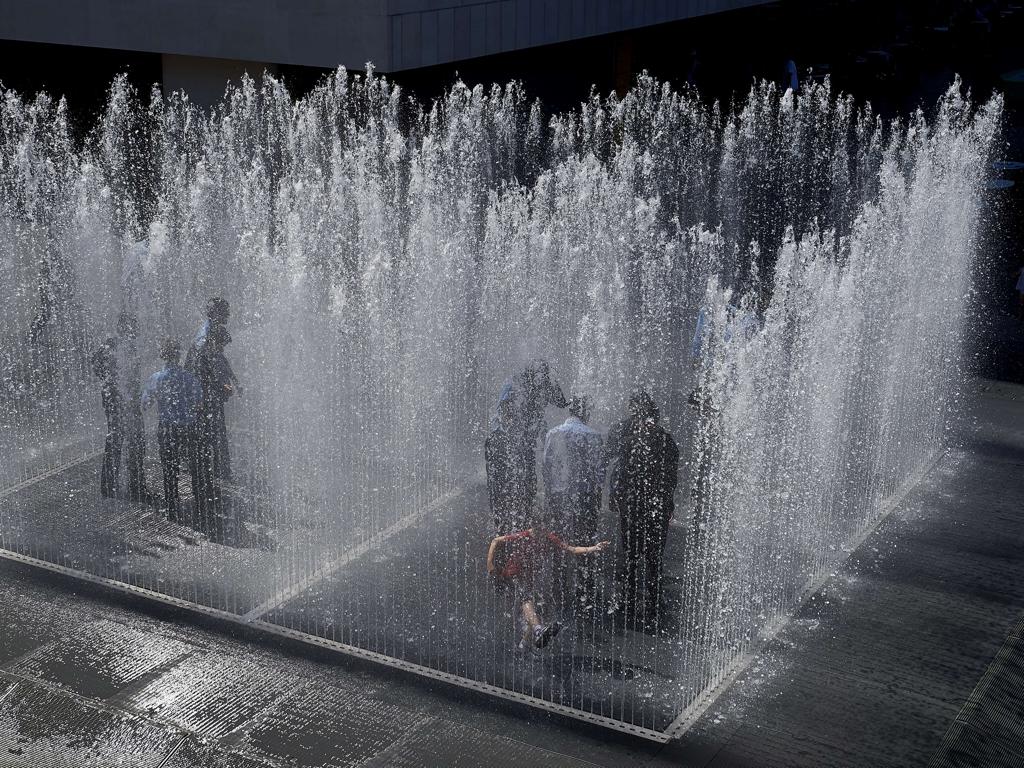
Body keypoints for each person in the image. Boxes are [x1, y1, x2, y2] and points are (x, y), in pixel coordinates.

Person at [605, 389, 680, 629]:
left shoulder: (631, 442)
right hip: (656, 509)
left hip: (633, 507)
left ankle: (628, 602)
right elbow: (671, 479)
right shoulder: (668, 441)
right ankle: (653, 604)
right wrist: (668, 504)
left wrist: (616, 497)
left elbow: (621, 475)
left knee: (630, 556)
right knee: (654, 558)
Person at [487, 514, 609, 650]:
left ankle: (524, 644)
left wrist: (594, 548)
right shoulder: (523, 535)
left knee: (538, 609)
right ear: (533, 527)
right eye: (537, 528)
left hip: (528, 579)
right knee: (526, 599)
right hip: (513, 575)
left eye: (543, 527)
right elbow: (495, 541)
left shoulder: (549, 537)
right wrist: (490, 566)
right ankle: (538, 630)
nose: (540, 531)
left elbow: (572, 549)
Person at [542, 395, 605, 609]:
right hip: (585, 497)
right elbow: (599, 472)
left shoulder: (554, 433)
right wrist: (596, 498)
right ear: (586, 412)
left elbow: (546, 467)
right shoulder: (594, 436)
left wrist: (550, 495)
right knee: (584, 540)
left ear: (570, 411)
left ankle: (558, 586)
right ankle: (584, 587)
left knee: (559, 540)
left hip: (559, 497)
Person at [494, 359, 567, 526]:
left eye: (544, 374)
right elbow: (503, 409)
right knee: (514, 475)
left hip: (527, 439)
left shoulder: (544, 385)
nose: (541, 378)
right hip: (510, 437)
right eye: (539, 374)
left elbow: (562, 403)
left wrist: (552, 382)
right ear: (531, 373)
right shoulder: (516, 383)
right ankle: (510, 515)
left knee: (528, 475)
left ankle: (525, 509)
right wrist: (510, 431)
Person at [142, 339, 203, 524]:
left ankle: (171, 507)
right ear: (178, 356)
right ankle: (200, 504)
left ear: (163, 356)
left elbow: (145, 405)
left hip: (167, 429)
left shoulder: (156, 379)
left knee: (169, 468)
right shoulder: (189, 378)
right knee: (195, 466)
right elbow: (199, 405)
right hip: (188, 427)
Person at [186, 298, 239, 483]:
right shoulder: (206, 336)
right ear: (216, 313)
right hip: (205, 393)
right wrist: (218, 385)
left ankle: (217, 470)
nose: (229, 315)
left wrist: (232, 379)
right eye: (225, 311)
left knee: (214, 431)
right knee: (212, 432)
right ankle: (214, 474)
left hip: (208, 391)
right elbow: (201, 366)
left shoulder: (214, 331)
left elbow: (220, 359)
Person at [112, 312, 154, 504]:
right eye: (134, 327)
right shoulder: (125, 348)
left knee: (132, 443)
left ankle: (131, 484)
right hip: (128, 405)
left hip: (126, 403)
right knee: (136, 443)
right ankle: (136, 486)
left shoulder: (119, 346)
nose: (137, 331)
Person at [90, 346, 123, 499]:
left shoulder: (108, 381)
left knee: (113, 445)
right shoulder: (110, 383)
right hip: (116, 419)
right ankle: (108, 485)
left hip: (115, 418)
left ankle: (110, 483)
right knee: (113, 445)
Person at [485, 398, 521, 534]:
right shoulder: (495, 438)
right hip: (500, 485)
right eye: (509, 413)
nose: (511, 417)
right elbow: (490, 468)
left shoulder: (516, 437)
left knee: (510, 520)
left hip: (506, 485)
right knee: (502, 520)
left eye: (512, 414)